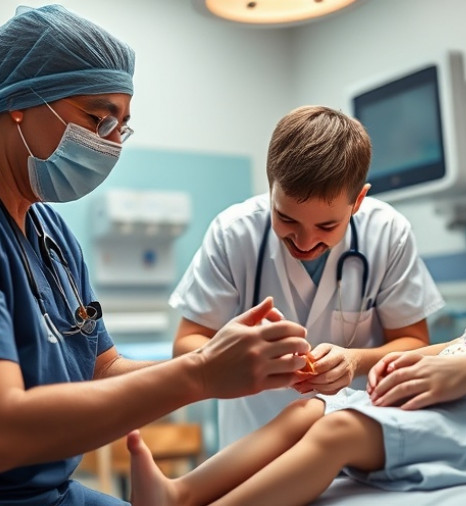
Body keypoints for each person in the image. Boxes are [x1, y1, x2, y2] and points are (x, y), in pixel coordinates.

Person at [0, 6, 311, 505]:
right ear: (19, 100)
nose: (111, 144)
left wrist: (223, 363)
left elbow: (102, 370)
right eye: (98, 118)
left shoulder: (48, 231)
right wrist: (197, 376)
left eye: (121, 127)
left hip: (45, 492)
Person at [127, 198, 466, 506]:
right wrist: (413, 360)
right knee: (308, 411)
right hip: (426, 407)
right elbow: (448, 347)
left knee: (337, 433)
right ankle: (181, 495)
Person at [169, 105, 446, 447]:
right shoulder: (234, 233)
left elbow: (415, 342)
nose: (304, 242)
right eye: (286, 219)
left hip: (354, 439)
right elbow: (187, 345)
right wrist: (246, 358)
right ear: (271, 189)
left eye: (327, 226)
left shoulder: (388, 233)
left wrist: (355, 361)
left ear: (358, 200)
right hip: (249, 440)